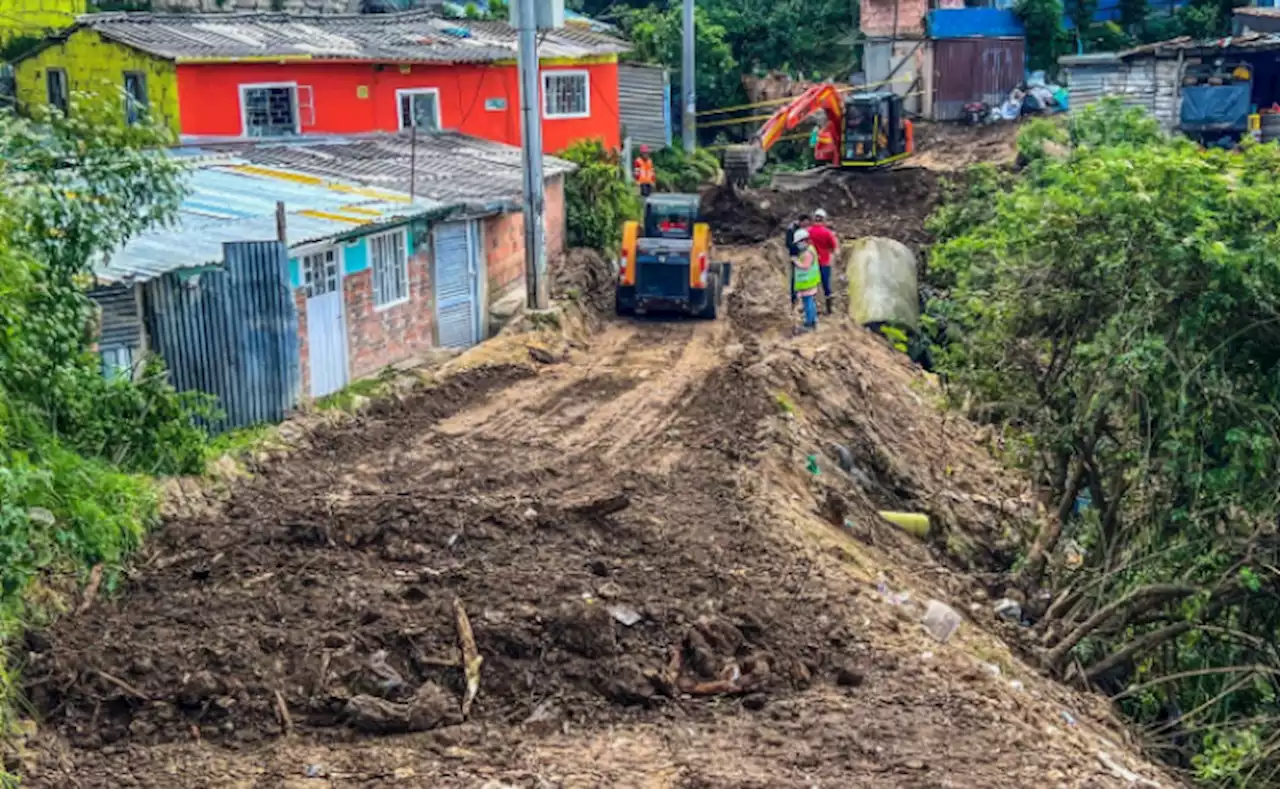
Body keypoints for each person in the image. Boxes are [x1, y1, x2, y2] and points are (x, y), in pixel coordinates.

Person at [807, 208, 839, 315]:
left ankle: (811, 309)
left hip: (811, 263)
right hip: (824, 262)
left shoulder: (808, 232)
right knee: (826, 286)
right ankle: (829, 310)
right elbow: (833, 247)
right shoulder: (827, 233)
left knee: (811, 286)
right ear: (824, 219)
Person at [792, 228, 821, 332]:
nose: (798, 245)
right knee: (810, 302)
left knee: (808, 303)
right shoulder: (810, 249)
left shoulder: (807, 253)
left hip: (807, 283)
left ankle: (809, 324)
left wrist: (795, 261)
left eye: (799, 242)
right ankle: (812, 320)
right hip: (810, 282)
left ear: (804, 240)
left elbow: (805, 266)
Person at [784, 214, 811, 307]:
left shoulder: (804, 229)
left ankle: (804, 296)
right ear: (800, 221)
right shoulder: (791, 229)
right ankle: (794, 298)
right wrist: (798, 248)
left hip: (804, 255)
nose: (805, 226)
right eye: (805, 223)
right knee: (795, 277)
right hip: (795, 255)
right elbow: (788, 244)